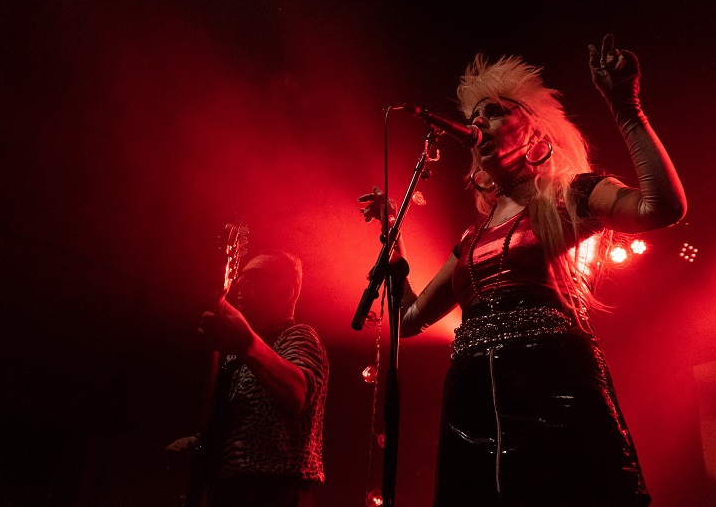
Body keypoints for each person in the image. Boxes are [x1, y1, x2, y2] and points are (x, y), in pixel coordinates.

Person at [359, 34, 686, 506]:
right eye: (474, 117)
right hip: (471, 402)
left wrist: (627, 109)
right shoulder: (473, 237)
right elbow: (408, 319)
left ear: (534, 134)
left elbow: (661, 207)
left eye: (494, 112)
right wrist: (394, 241)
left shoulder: (571, 195)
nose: (477, 124)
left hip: (553, 388)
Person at [166, 251, 329, 507]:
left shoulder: (298, 336)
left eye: (255, 277)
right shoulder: (239, 353)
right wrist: (200, 442)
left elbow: (298, 392)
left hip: (276, 492)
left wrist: (247, 344)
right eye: (241, 276)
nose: (241, 283)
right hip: (231, 490)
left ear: (286, 291)